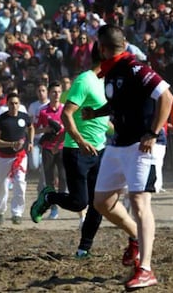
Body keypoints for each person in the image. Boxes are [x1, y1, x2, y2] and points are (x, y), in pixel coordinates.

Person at [76, 24, 172, 289]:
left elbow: (167, 96)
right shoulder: (113, 70)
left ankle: (146, 269)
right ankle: (135, 239)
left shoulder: (135, 67)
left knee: (139, 202)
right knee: (101, 201)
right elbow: (119, 100)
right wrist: (95, 113)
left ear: (102, 47)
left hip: (144, 145)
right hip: (119, 143)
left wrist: (152, 132)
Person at [30, 42, 109, 258]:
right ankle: (48, 198)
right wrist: (81, 141)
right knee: (79, 202)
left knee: (98, 204)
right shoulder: (85, 80)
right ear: (104, 55)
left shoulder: (104, 83)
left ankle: (84, 248)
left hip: (99, 151)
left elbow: (102, 118)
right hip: (76, 150)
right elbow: (66, 114)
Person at [0, 93, 34, 225]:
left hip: (20, 156)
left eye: (16, 103)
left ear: (19, 104)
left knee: (20, 183)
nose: (14, 106)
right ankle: (0, 211)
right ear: (7, 104)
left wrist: (30, 142)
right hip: (4, 157)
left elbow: (31, 127)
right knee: (2, 186)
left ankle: (17, 213)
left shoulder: (24, 117)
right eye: (11, 103)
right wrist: (11, 144)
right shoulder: (1, 120)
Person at [34, 81, 66, 220]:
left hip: (62, 147)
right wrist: (45, 129)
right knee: (49, 180)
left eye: (59, 92)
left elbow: (69, 127)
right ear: (49, 93)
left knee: (64, 178)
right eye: (54, 92)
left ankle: (60, 201)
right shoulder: (42, 111)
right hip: (47, 148)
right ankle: (53, 208)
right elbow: (34, 129)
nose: (56, 95)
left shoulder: (65, 109)